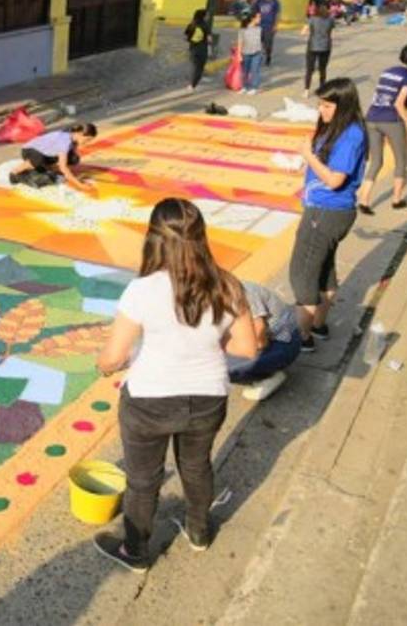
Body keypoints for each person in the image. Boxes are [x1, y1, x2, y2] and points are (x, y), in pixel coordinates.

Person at [93, 198, 258, 572]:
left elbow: (114, 357)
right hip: (208, 398)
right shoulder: (228, 284)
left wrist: (102, 367)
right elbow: (248, 348)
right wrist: (205, 342)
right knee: (197, 466)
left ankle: (135, 551)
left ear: (154, 239)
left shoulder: (143, 289)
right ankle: (200, 531)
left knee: (143, 479)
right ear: (201, 237)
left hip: (149, 401)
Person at [291, 79, 367, 353]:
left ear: (343, 105)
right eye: (320, 105)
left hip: (326, 212)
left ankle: (303, 336)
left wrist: (308, 156)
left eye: (327, 105)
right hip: (331, 211)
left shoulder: (351, 135)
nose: (321, 110)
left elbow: (335, 180)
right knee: (324, 271)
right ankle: (319, 326)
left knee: (303, 274)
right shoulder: (342, 129)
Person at [357, 44, 407, 214]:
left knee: (376, 161)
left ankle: (363, 200)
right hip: (391, 120)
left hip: (372, 117)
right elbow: (399, 103)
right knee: (401, 161)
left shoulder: (387, 71)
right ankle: (396, 199)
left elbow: (380, 95)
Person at [228, 281, 301, 402]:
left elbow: (259, 342)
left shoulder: (242, 295)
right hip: (276, 339)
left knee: (219, 367)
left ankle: (268, 376)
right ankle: (264, 370)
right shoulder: (228, 291)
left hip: (284, 344)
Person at [8, 123, 98, 191]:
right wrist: (80, 185)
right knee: (38, 161)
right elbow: (63, 166)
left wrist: (71, 176)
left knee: (73, 158)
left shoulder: (71, 138)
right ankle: (15, 173)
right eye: (87, 139)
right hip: (30, 151)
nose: (87, 142)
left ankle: (45, 168)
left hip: (45, 153)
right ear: (79, 134)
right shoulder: (65, 141)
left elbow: (67, 158)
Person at [301, 6, 335, 97]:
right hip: (326, 47)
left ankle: (306, 90)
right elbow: (331, 31)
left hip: (312, 46)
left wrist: (308, 33)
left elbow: (303, 32)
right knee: (322, 69)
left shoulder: (312, 19)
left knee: (309, 69)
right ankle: (322, 89)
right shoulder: (330, 20)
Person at [252, 0, 281, 65]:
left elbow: (277, 14)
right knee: (257, 43)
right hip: (259, 25)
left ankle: (268, 56)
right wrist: (255, 22)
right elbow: (255, 12)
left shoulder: (275, 1)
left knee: (268, 44)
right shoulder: (259, 1)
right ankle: (257, 59)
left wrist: (275, 25)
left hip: (269, 26)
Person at [184, 9, 211, 90]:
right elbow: (209, 39)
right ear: (203, 16)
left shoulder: (191, 24)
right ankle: (193, 85)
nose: (208, 17)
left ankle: (191, 84)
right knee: (199, 67)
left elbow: (186, 37)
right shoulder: (205, 25)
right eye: (207, 15)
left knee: (194, 66)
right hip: (202, 48)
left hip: (193, 48)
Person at [238, 14, 264, 95]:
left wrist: (262, 51)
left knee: (255, 70)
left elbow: (262, 41)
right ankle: (244, 87)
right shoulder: (243, 29)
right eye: (258, 17)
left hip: (257, 53)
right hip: (245, 53)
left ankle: (254, 87)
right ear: (253, 18)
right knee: (245, 71)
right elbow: (240, 42)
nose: (260, 19)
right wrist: (239, 54)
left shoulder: (260, 29)